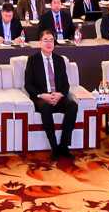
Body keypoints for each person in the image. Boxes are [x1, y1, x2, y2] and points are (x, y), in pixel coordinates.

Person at [23, 30, 77, 161]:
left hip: (57, 96)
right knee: (45, 108)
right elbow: (28, 85)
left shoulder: (59, 60)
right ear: (40, 43)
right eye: (45, 40)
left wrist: (60, 94)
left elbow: (66, 84)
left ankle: (64, 145)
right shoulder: (33, 60)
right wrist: (42, 95)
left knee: (73, 106)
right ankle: (54, 147)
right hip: (42, 98)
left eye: (51, 40)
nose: (49, 43)